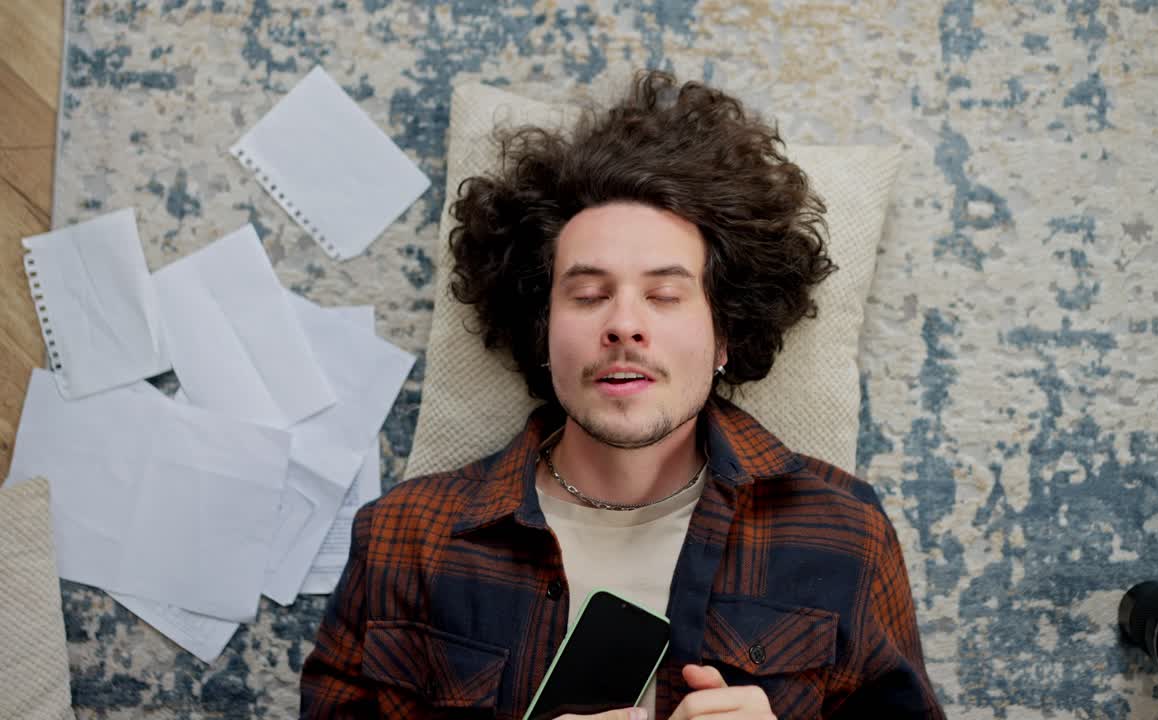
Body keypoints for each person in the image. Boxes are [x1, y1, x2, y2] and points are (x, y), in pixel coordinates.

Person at [301, 70, 944, 720]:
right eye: (587, 295)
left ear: (726, 335)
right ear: (542, 331)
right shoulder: (402, 540)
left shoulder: (844, 532)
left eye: (665, 295)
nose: (623, 324)